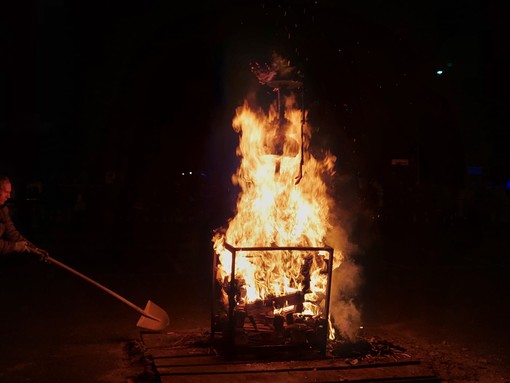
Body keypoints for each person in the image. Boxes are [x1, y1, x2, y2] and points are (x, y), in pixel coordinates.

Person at [0, 175, 48, 259]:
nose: (9, 196)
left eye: (10, 192)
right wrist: (14, 246)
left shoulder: (2, 209)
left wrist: (34, 249)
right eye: (6, 192)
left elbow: (11, 232)